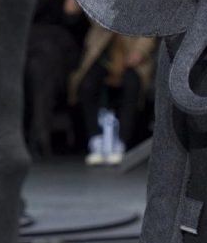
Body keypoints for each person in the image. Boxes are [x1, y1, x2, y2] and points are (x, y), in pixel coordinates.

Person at [24, 0, 85, 156]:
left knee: (46, 51)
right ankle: (39, 136)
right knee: (38, 66)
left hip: (60, 47)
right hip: (31, 50)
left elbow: (71, 17)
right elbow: (33, 8)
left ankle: (39, 136)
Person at [67, 14, 156, 165]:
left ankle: (121, 140)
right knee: (87, 85)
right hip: (101, 49)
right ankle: (96, 138)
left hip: (133, 48)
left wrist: (140, 51)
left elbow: (150, 25)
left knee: (132, 85)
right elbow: (93, 15)